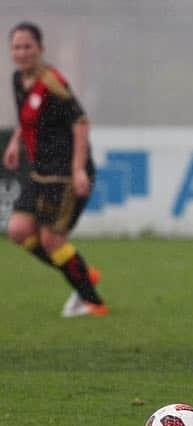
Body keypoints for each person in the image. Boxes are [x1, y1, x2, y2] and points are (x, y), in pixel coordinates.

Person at [3, 21, 106, 317]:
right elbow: (27, 118)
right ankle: (81, 275)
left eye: (27, 47)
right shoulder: (16, 80)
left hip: (62, 172)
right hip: (38, 170)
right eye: (16, 47)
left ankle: (93, 302)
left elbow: (81, 122)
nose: (22, 53)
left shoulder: (52, 82)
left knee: (51, 241)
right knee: (19, 231)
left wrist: (78, 169)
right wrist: (15, 142)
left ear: (40, 49)